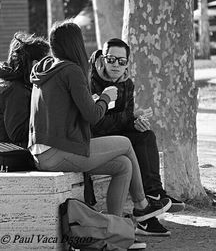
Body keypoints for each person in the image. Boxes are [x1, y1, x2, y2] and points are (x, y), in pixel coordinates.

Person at [28, 20, 171, 243]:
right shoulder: (72, 70)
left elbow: (66, 111)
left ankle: (113, 234)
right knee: (125, 143)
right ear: (75, 43)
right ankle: (142, 206)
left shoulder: (46, 69)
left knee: (123, 166)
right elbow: (93, 116)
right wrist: (106, 98)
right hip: (59, 151)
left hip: (42, 152)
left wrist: (95, 101)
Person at [89, 38, 185, 237]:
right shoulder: (90, 81)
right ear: (102, 58)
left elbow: (125, 118)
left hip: (115, 134)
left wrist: (135, 122)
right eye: (111, 59)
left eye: (122, 61)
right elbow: (96, 123)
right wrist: (129, 117)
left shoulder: (127, 84)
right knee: (129, 148)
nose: (116, 65)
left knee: (145, 135)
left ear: (127, 63)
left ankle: (155, 194)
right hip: (95, 139)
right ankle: (145, 214)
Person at [0, 32, 49, 147]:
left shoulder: (20, 85)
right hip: (15, 157)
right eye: (48, 62)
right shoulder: (17, 90)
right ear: (35, 64)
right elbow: (17, 134)